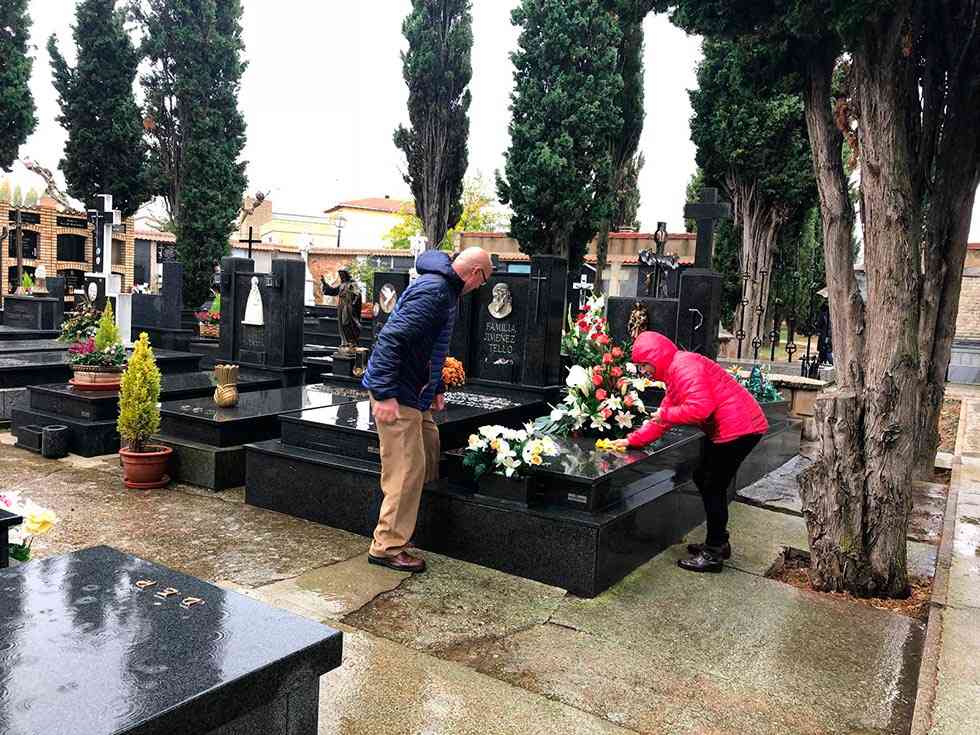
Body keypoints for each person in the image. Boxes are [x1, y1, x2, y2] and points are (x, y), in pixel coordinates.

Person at [362, 246, 493, 572]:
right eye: (484, 281)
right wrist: (384, 394)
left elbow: (432, 346)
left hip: (415, 392)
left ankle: (406, 524)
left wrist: (435, 389)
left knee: (429, 448)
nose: (480, 287)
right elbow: (391, 338)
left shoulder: (446, 290)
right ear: (476, 273)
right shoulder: (435, 292)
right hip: (399, 392)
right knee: (406, 469)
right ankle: (387, 546)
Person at [612, 331, 768, 573]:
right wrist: (631, 440)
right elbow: (661, 421)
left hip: (740, 427)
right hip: (731, 427)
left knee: (712, 485)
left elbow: (701, 408)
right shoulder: (675, 373)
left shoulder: (684, 366)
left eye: (644, 365)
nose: (644, 372)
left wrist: (665, 414)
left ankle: (714, 552)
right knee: (704, 478)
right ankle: (718, 542)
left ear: (655, 357)